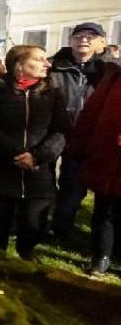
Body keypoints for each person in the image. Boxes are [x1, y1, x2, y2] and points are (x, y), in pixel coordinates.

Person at [0, 46, 67, 260]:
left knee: (32, 228)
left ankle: (27, 259)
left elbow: (61, 130)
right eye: (39, 59)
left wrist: (37, 156)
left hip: (37, 174)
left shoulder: (52, 94)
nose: (47, 64)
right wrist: (17, 153)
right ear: (19, 65)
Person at [47, 22, 120, 239]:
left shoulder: (110, 71)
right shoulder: (54, 65)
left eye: (91, 35)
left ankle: (61, 228)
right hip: (55, 132)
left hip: (88, 137)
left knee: (74, 184)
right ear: (70, 41)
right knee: (45, 182)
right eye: (78, 35)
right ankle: (45, 222)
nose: (84, 39)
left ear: (102, 42)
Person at [68, 62, 121, 274]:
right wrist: (80, 146)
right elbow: (92, 112)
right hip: (108, 159)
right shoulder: (114, 78)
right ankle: (101, 257)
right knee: (105, 211)